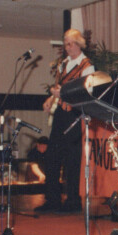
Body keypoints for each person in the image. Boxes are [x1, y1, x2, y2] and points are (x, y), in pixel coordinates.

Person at [40, 29, 94, 213]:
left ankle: (72, 201)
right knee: (52, 157)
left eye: (71, 43)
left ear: (79, 44)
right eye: (66, 44)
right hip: (60, 115)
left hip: (75, 114)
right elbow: (58, 87)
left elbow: (87, 92)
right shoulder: (63, 64)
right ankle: (52, 199)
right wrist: (51, 99)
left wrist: (61, 93)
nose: (68, 47)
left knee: (73, 160)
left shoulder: (87, 66)